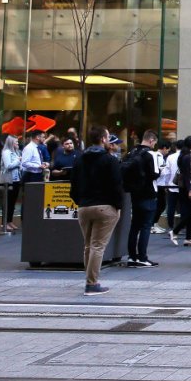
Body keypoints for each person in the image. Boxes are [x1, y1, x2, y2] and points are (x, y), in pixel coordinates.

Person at [71, 127, 124, 296]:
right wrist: (118, 206)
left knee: (88, 246)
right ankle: (92, 284)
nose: (109, 139)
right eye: (108, 137)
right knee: (97, 246)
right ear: (103, 139)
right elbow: (117, 186)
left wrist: (80, 201)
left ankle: (90, 281)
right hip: (105, 206)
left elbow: (73, 187)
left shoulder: (80, 159)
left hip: (84, 207)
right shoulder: (110, 160)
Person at [125, 130, 162, 268]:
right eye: (155, 143)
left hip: (134, 193)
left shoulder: (131, 152)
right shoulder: (149, 155)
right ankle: (142, 257)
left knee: (134, 226)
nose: (154, 145)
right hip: (148, 193)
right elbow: (154, 174)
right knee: (146, 226)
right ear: (151, 140)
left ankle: (131, 256)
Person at [173, 135, 191, 247]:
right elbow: (187, 175)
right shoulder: (187, 157)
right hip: (187, 188)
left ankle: (188, 238)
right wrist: (190, 190)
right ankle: (175, 231)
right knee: (190, 212)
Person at [0, 135, 22, 234]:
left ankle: (10, 221)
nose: (18, 143)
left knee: (12, 202)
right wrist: (18, 161)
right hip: (8, 179)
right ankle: (5, 222)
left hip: (16, 179)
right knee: (7, 201)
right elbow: (8, 166)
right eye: (16, 142)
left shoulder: (16, 152)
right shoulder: (6, 152)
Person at [155, 138, 179, 233]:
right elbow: (161, 172)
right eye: (168, 149)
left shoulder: (159, 156)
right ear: (164, 148)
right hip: (159, 185)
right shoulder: (158, 157)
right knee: (161, 205)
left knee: (162, 205)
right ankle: (153, 224)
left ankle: (155, 223)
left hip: (161, 185)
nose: (168, 151)